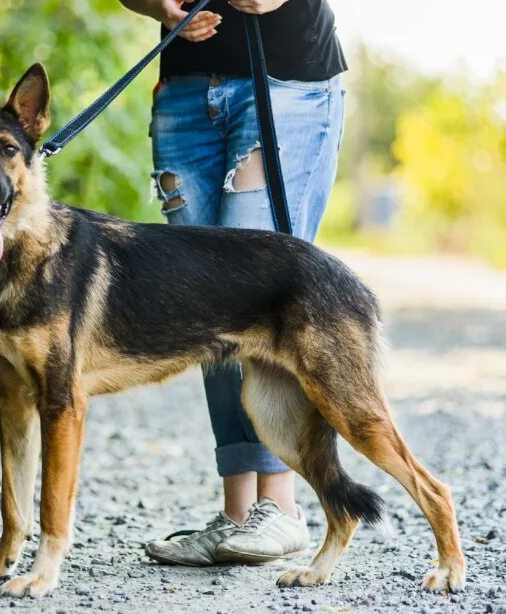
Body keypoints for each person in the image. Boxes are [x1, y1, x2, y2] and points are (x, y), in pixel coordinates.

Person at [118, 0, 347, 565]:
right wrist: (157, 6)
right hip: (185, 94)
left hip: (287, 81)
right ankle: (238, 514)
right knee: (208, 312)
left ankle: (283, 506)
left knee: (259, 298)